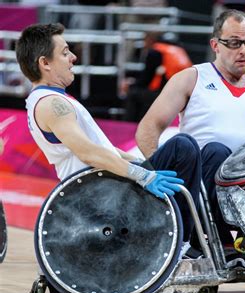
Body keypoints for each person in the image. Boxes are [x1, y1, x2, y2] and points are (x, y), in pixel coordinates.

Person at [16, 23, 201, 253]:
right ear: (44, 63)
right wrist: (143, 175)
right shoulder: (51, 104)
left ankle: (194, 237)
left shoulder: (53, 99)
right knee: (182, 146)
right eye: (65, 53)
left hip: (108, 187)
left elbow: (104, 149)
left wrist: (139, 166)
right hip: (100, 197)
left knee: (203, 153)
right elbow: (88, 153)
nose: (73, 57)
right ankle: (182, 245)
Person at [136, 9, 245, 267]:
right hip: (198, 184)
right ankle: (213, 239)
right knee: (217, 150)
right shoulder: (191, 78)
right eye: (234, 42)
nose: (243, 50)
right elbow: (148, 128)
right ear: (215, 45)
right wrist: (155, 176)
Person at [121, 32, 193, 122]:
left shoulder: (155, 52)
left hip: (165, 94)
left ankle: (129, 125)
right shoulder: (179, 51)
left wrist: (131, 85)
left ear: (150, 40)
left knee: (133, 93)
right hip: (184, 94)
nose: (143, 44)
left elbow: (146, 80)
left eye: (145, 41)